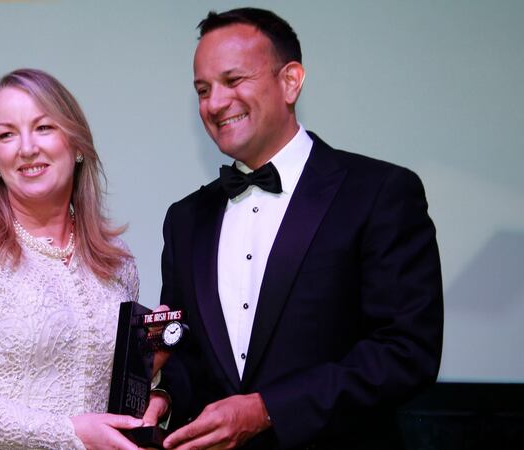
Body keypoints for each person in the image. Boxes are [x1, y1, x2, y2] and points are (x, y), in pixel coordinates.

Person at [160, 8, 443, 450]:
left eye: (233, 80)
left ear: (291, 81)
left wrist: (268, 409)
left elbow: (406, 352)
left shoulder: (379, 192)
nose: (214, 104)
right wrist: (163, 395)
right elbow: (187, 356)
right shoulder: (185, 218)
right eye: (203, 89)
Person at [0, 68, 167, 450]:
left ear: (78, 146)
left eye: (43, 128)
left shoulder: (117, 262)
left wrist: (152, 380)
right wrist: (68, 433)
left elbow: (105, 401)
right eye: (7, 135)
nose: (27, 147)